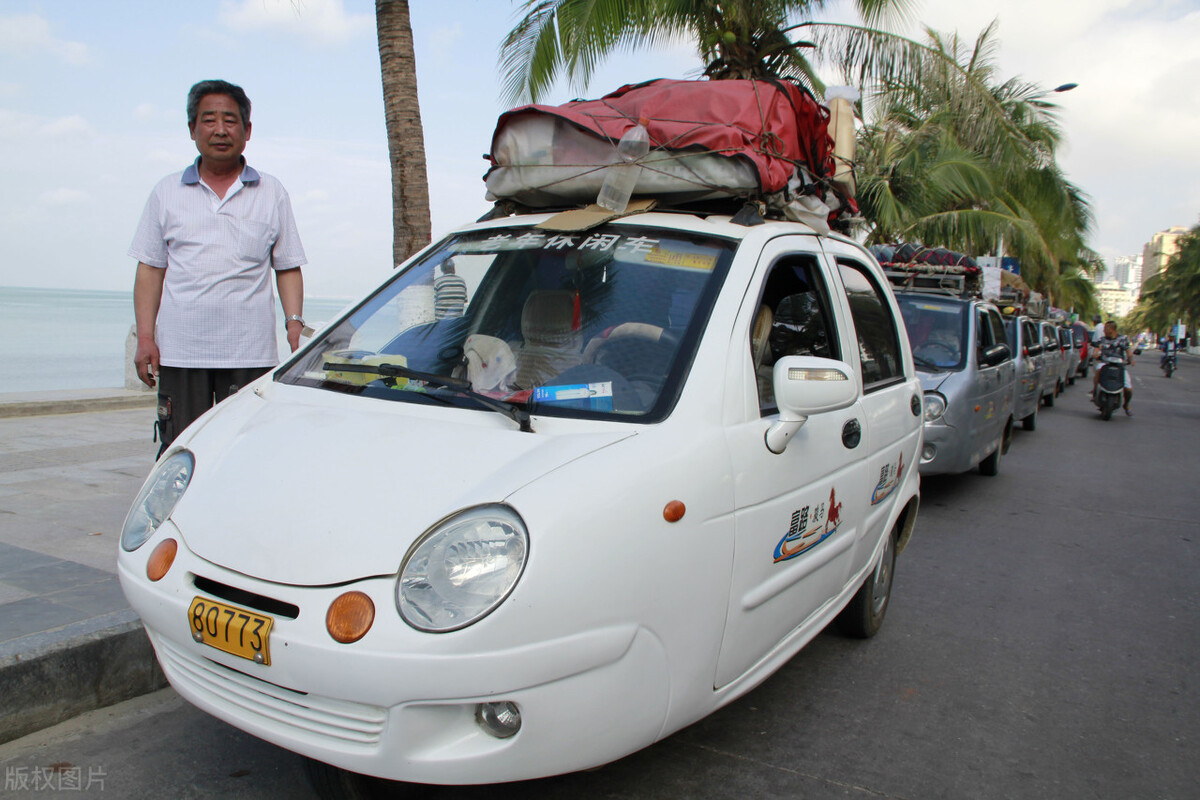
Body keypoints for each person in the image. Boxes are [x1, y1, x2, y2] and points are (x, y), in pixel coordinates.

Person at [130, 80, 307, 456]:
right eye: (208, 120)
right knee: (180, 448)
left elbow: (287, 266)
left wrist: (294, 324)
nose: (220, 129)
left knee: (245, 450)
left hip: (250, 354)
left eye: (230, 120)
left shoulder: (271, 191)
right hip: (181, 353)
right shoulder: (167, 192)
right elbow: (150, 270)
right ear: (192, 129)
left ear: (247, 131)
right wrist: (146, 337)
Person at [1092, 321, 1134, 415]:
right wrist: (1095, 355)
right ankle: (1095, 392)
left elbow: (1128, 351)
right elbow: (1096, 350)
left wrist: (1131, 359)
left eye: (1106, 328)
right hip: (1105, 363)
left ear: (1112, 329)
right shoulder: (1102, 339)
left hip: (1119, 366)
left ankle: (1126, 404)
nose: (1104, 330)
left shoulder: (1123, 339)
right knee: (1098, 371)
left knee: (1128, 388)